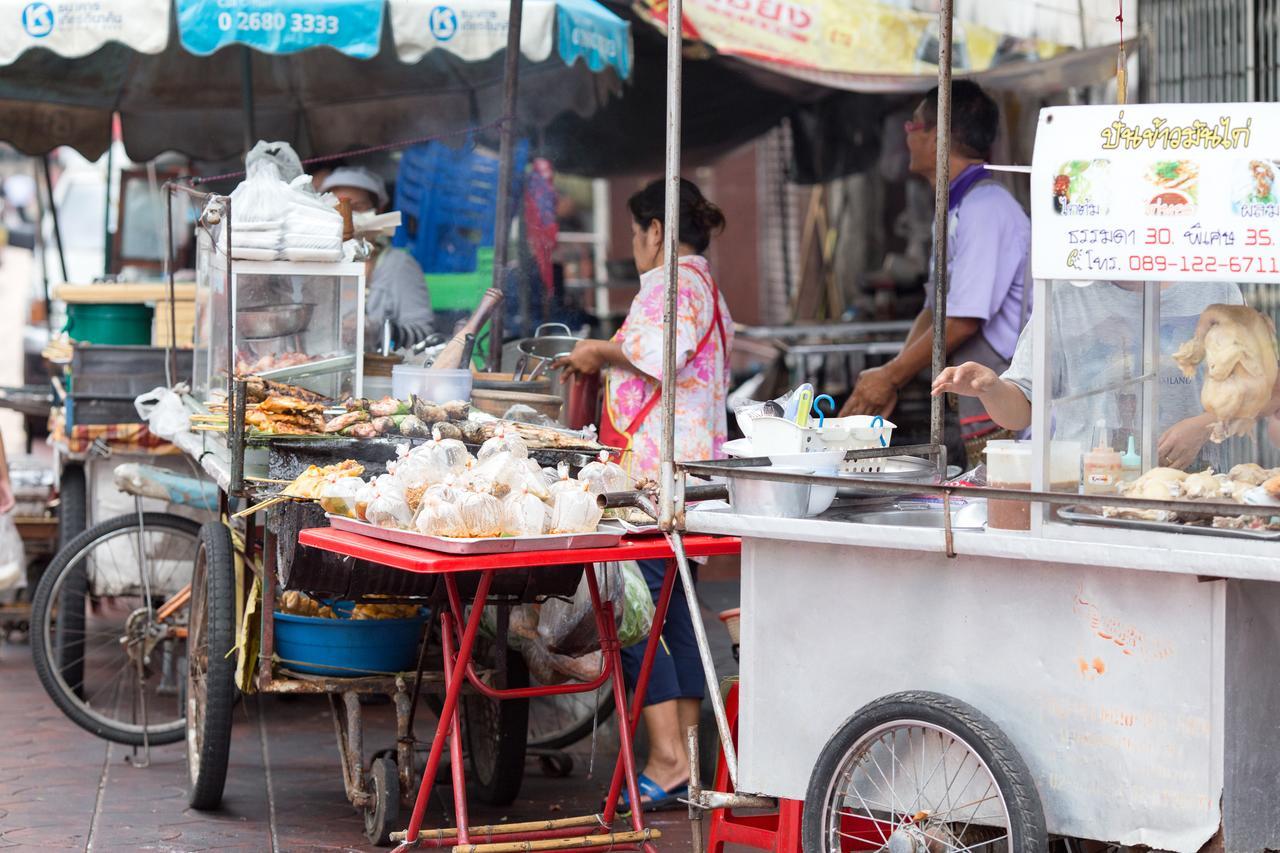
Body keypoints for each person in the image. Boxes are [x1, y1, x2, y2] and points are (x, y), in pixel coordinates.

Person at [554, 178, 732, 812]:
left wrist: (597, 350)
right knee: (673, 616)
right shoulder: (701, 284)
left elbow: (663, 353)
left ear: (657, 230)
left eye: (634, 232)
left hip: (655, 483)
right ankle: (683, 760)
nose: (633, 245)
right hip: (684, 479)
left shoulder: (674, 284)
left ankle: (666, 757)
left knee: (637, 616)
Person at [841, 81, 1031, 468]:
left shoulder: (986, 208)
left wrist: (892, 377)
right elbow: (936, 308)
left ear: (939, 137)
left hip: (1006, 387)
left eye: (913, 127)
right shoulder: (953, 208)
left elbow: (962, 320)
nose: (907, 138)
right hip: (976, 387)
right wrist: (891, 373)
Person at [933, 280, 1250, 472]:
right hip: (1086, 493)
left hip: (1193, 490)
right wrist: (991, 388)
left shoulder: (1213, 289)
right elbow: (1022, 411)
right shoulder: (1063, 297)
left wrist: (1203, 425)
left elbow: (1252, 389)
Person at [319, 167, 435, 348]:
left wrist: (377, 331)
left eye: (355, 208)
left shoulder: (399, 266)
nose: (345, 217)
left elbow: (424, 336)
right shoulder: (316, 266)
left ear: (379, 210)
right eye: (336, 209)